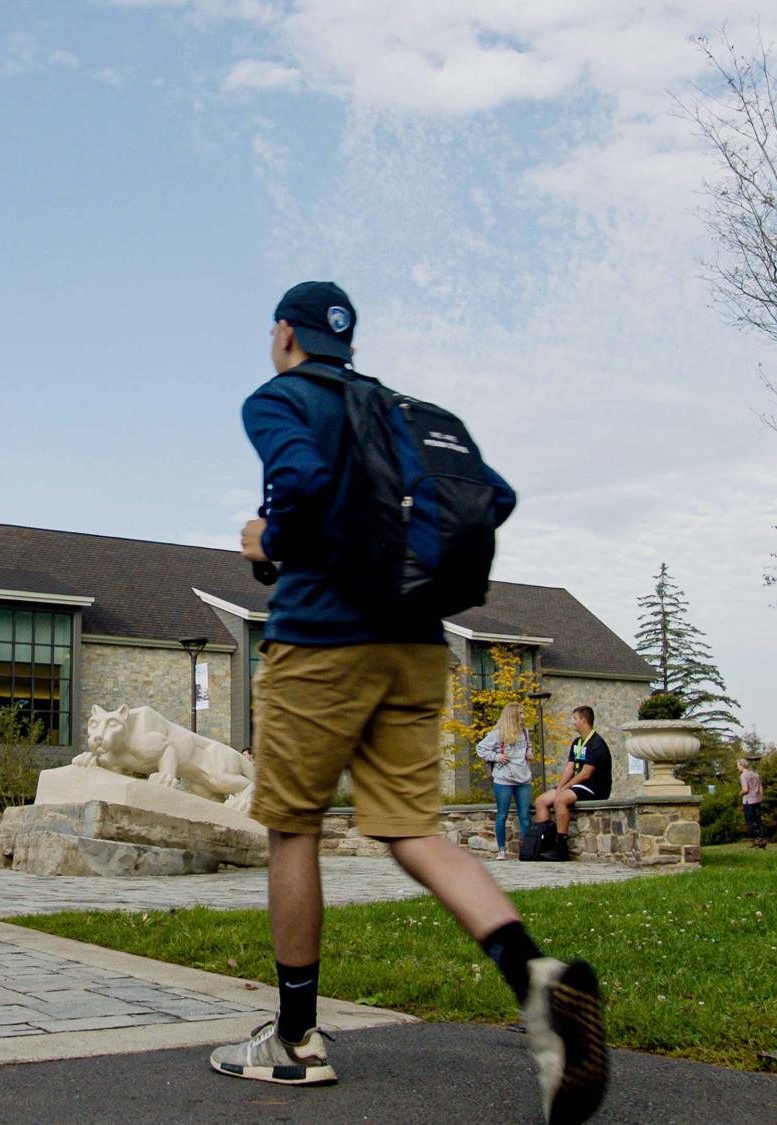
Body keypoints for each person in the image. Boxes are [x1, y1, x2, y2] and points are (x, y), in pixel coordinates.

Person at [212, 281, 607, 1125]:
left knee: (295, 827)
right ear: (346, 342)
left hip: (321, 642)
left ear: (285, 333)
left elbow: (304, 483)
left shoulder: (278, 397)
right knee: (412, 829)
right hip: (417, 645)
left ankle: (296, 1039)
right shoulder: (404, 410)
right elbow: (491, 494)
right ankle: (537, 978)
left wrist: (265, 542)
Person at [532, 706, 612, 863]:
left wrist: (565, 789)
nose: (572, 722)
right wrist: (561, 786)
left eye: (574, 718)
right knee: (541, 801)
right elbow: (570, 768)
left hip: (594, 787)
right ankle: (542, 844)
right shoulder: (577, 742)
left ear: (583, 720)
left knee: (560, 799)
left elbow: (585, 774)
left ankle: (561, 848)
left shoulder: (597, 744)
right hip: (576, 785)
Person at [477, 703, 533, 860]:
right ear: (512, 715)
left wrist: (529, 752)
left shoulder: (525, 732)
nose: (523, 716)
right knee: (502, 815)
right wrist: (496, 757)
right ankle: (501, 850)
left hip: (523, 778)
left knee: (525, 816)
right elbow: (480, 748)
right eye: (520, 713)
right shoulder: (498, 734)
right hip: (504, 779)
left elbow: (528, 748)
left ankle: (527, 849)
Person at [738, 757, 766, 848]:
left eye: (738, 766)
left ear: (742, 765)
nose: (737, 767)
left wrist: (740, 793)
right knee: (759, 820)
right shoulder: (755, 774)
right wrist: (761, 797)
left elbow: (745, 789)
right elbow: (760, 787)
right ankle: (762, 838)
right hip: (757, 800)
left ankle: (755, 840)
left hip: (748, 801)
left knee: (749, 821)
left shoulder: (743, 775)